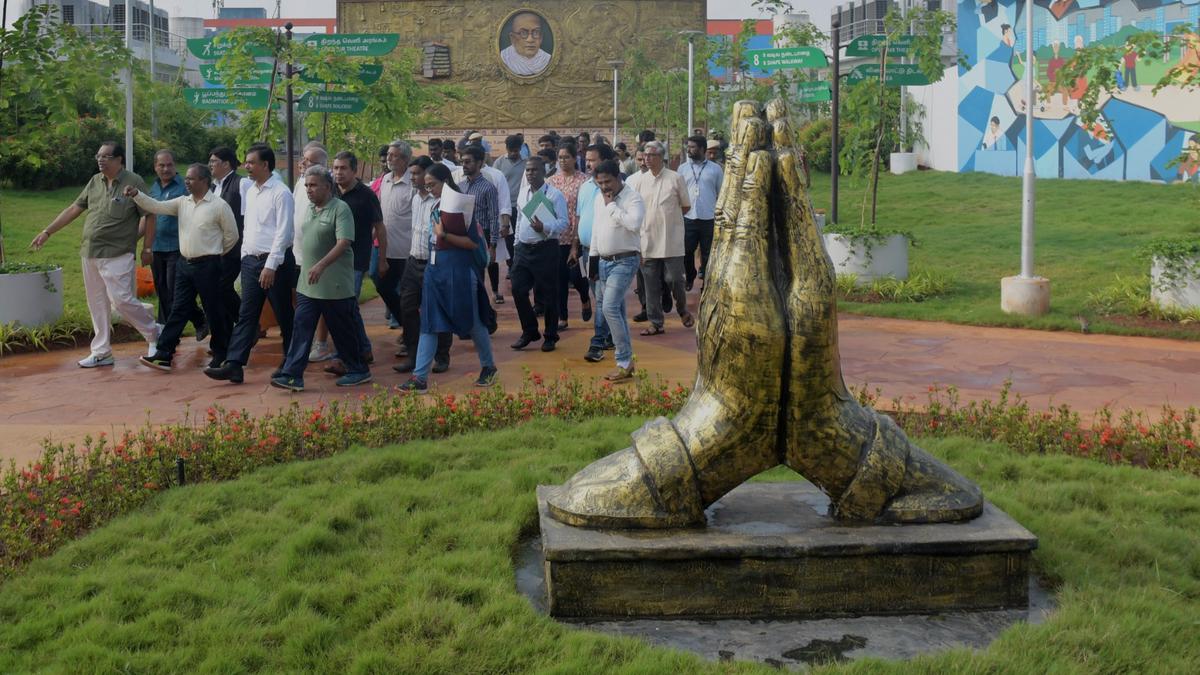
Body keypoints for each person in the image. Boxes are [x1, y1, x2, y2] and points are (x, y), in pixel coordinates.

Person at [30, 141, 160, 367]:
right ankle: (101, 352)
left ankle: (155, 334)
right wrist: (47, 231)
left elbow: (149, 214)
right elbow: (74, 208)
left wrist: (147, 247)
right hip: (90, 252)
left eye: (106, 156)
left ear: (119, 159)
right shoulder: (94, 181)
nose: (101, 160)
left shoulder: (133, 182)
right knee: (96, 303)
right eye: (98, 156)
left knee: (121, 301)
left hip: (118, 253)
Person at [398, 163, 498, 393]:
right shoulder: (434, 204)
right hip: (435, 271)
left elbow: (473, 243)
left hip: (458, 272)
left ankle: (488, 366)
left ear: (446, 181)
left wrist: (445, 235)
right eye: (427, 185)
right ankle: (420, 377)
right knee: (429, 324)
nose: (429, 189)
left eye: (432, 184)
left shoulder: (461, 206)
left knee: (472, 321)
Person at [271, 165, 372, 391]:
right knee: (301, 327)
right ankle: (292, 375)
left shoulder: (340, 209)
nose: (309, 190)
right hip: (309, 284)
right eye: (307, 185)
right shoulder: (308, 208)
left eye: (313, 185)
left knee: (342, 330)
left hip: (334, 284)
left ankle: (358, 370)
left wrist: (321, 265)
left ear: (328, 187)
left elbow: (344, 241)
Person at [129, 164, 239, 371]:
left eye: (191, 178)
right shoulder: (182, 203)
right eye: (186, 178)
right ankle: (163, 354)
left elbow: (232, 236)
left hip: (209, 265)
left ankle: (221, 354)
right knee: (178, 309)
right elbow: (156, 206)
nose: (186, 182)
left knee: (214, 310)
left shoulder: (219, 206)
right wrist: (136, 195)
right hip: (184, 265)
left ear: (204, 181)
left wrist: (214, 253)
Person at [204, 144, 297, 384]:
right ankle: (234, 364)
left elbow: (284, 233)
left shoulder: (281, 192)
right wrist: (246, 254)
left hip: (275, 262)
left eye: (252, 162)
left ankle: (291, 362)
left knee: (284, 313)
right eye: (246, 162)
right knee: (247, 314)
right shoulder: (251, 191)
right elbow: (249, 226)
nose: (247, 167)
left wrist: (271, 265)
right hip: (251, 261)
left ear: (265, 165)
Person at [323, 150, 386, 375]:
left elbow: (379, 227)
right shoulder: (330, 192)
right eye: (335, 168)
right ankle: (364, 349)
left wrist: (382, 260)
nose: (338, 173)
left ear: (354, 170)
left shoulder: (366, 195)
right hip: (333, 259)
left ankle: (342, 356)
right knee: (349, 309)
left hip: (356, 259)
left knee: (344, 309)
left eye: (343, 168)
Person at [393, 157, 452, 374]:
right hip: (413, 261)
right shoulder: (416, 199)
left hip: (433, 263)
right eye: (412, 174)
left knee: (437, 309)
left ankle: (442, 355)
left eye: (417, 173)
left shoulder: (442, 201)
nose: (413, 178)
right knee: (407, 308)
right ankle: (413, 355)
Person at [588, 159, 645, 381]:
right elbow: (596, 230)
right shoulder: (598, 198)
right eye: (600, 183)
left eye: (607, 181)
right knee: (616, 310)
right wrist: (592, 259)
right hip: (602, 261)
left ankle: (623, 360)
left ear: (618, 177)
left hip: (625, 261)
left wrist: (611, 206)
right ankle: (627, 364)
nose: (604, 187)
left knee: (609, 308)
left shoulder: (633, 198)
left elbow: (634, 224)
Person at [631, 140, 693, 335]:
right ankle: (656, 322)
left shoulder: (675, 178)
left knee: (675, 279)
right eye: (645, 155)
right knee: (650, 285)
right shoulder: (639, 181)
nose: (646, 159)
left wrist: (667, 220)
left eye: (651, 155)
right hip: (646, 240)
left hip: (671, 240)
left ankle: (682, 309)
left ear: (661, 157)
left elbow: (685, 206)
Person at [143, 149, 207, 338]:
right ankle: (166, 331)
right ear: (155, 167)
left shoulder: (185, 186)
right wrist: (141, 243)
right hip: (157, 247)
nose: (166, 169)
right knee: (162, 291)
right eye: (161, 165)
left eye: (170, 164)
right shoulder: (152, 189)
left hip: (179, 247)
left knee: (174, 291)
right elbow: (148, 217)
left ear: (175, 165)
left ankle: (198, 319)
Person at [511, 158, 568, 352]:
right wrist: (517, 242)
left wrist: (545, 226)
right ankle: (529, 331)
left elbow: (563, 223)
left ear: (543, 172)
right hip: (523, 249)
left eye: (534, 170)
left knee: (548, 294)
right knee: (518, 290)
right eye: (527, 170)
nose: (530, 174)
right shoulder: (523, 194)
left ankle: (550, 336)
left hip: (546, 248)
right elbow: (519, 219)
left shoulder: (554, 195)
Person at [456, 142, 511, 303]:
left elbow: (493, 216)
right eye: (462, 162)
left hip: (482, 235)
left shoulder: (488, 187)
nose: (464, 165)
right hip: (463, 235)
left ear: (479, 163)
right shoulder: (460, 186)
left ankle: (485, 305)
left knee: (481, 273)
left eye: (468, 161)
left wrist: (492, 244)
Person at [373, 140, 415, 352]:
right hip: (384, 249)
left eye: (395, 155)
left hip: (407, 251)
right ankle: (409, 327)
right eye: (389, 154)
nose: (389, 158)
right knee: (380, 284)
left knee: (409, 297)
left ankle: (411, 337)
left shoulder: (413, 184)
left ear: (405, 160)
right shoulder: (385, 181)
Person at [548, 143, 591, 330]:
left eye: (567, 157)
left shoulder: (585, 181)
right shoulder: (551, 182)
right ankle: (562, 317)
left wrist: (576, 241)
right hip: (557, 236)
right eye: (560, 158)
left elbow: (584, 211)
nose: (563, 161)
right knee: (559, 279)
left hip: (578, 236)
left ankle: (584, 297)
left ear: (575, 158)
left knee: (578, 275)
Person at [209, 146, 245, 329]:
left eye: (214, 161)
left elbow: (248, 214)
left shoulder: (241, 183)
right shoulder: (214, 186)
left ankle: (246, 326)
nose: (210, 165)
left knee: (223, 287)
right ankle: (226, 335)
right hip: (216, 247)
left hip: (234, 246)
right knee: (216, 290)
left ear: (226, 164)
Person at [681, 135, 723, 292]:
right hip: (688, 217)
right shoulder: (683, 168)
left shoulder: (715, 169)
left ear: (702, 149)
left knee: (708, 253)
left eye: (692, 147)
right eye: (688, 146)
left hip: (709, 218)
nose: (689, 150)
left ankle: (706, 281)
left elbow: (721, 193)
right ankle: (690, 275)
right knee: (686, 251)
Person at [493, 134, 527, 285]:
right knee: (507, 239)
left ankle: (520, 266)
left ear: (521, 149)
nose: (514, 153)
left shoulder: (526, 163)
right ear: (506, 149)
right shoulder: (499, 162)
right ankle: (511, 267)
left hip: (521, 207)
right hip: (505, 208)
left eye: (517, 150)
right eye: (511, 150)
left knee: (519, 238)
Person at [502, 11, 552, 76]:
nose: (530, 40)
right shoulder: (504, 58)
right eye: (523, 33)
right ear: (512, 38)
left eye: (536, 32)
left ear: (541, 38)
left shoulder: (547, 59)